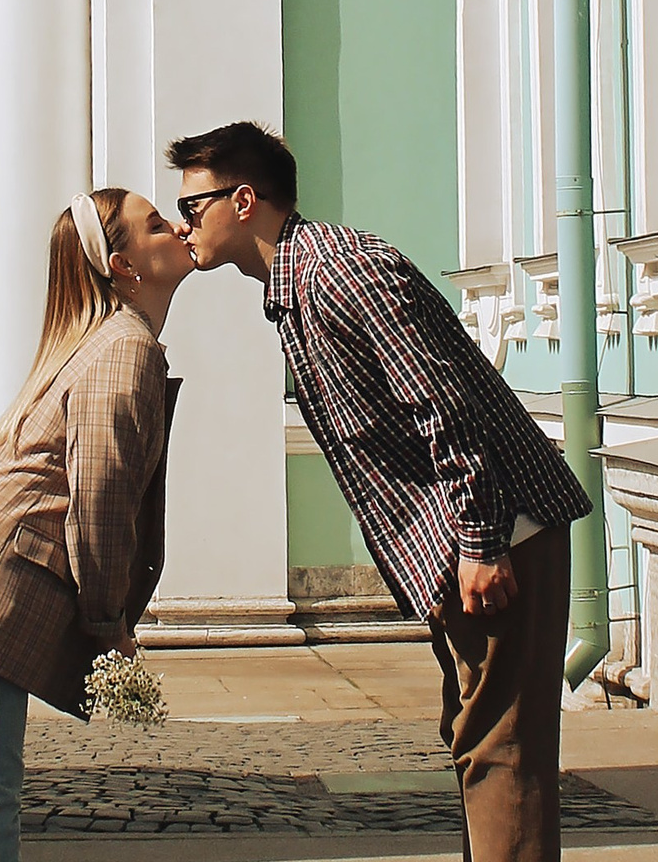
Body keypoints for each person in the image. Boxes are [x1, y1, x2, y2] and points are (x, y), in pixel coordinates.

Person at [169, 120, 591, 862]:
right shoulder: (297, 286)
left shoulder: (339, 271)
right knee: (477, 744)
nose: (182, 226)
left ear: (243, 201)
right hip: (468, 548)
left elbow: (443, 405)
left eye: (192, 207)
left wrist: (482, 544)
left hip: (498, 540)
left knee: (500, 754)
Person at [0, 187, 195, 862]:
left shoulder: (112, 340)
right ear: (123, 266)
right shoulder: (123, 349)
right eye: (154, 223)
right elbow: (102, 498)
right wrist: (109, 623)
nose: (175, 224)